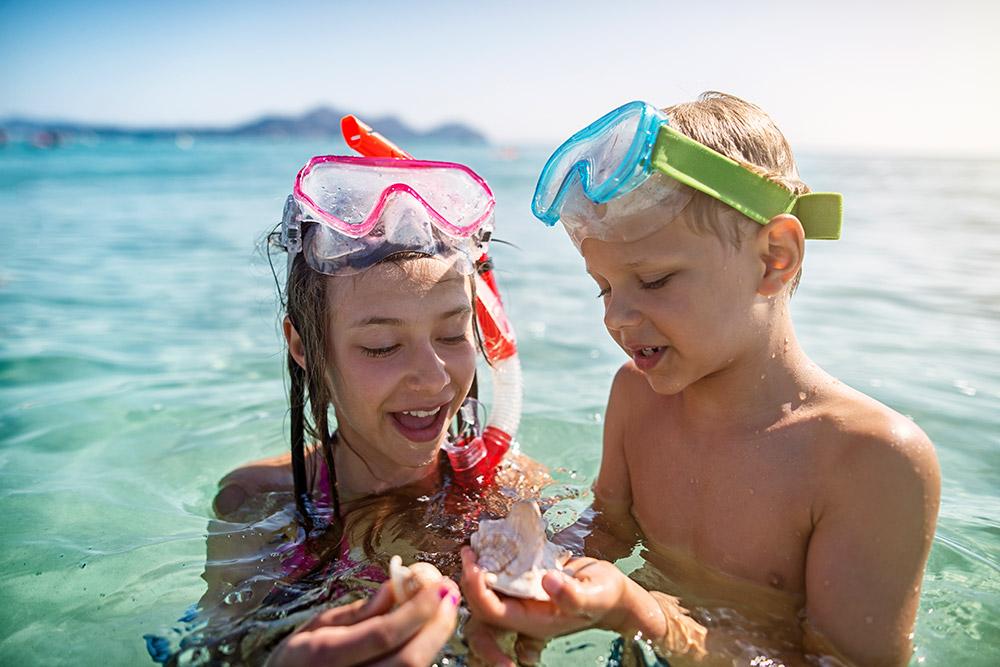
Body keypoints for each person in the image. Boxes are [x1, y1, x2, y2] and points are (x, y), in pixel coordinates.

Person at [461, 93, 940, 666]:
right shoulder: (635, 397)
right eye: (604, 287)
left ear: (773, 258)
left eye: (656, 280)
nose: (615, 317)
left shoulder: (868, 459)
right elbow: (607, 527)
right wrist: (533, 579)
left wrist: (645, 614)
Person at [181, 154, 547, 666]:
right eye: (380, 346)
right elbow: (211, 649)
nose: (436, 377)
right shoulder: (256, 506)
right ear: (304, 346)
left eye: (452, 333)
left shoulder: (510, 490)